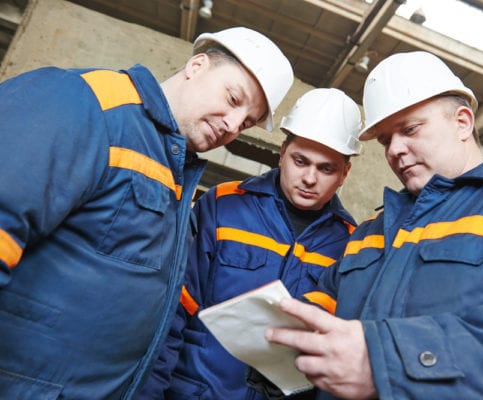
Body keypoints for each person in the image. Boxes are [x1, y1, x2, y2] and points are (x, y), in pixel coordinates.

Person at [262, 51, 483, 399]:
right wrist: (282, 343)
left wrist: (386, 362)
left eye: (409, 129)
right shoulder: (370, 231)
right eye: (385, 140)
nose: (395, 150)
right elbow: (330, 301)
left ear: (463, 122)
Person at [0, 26, 293, 399]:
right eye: (234, 98)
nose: (233, 126)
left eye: (247, 122)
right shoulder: (87, 104)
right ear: (197, 65)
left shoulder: (173, 168)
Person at [138, 88, 363, 399]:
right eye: (300, 160)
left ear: (344, 173)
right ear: (282, 152)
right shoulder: (223, 204)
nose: (310, 178)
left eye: (326, 168)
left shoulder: (352, 245)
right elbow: (173, 310)